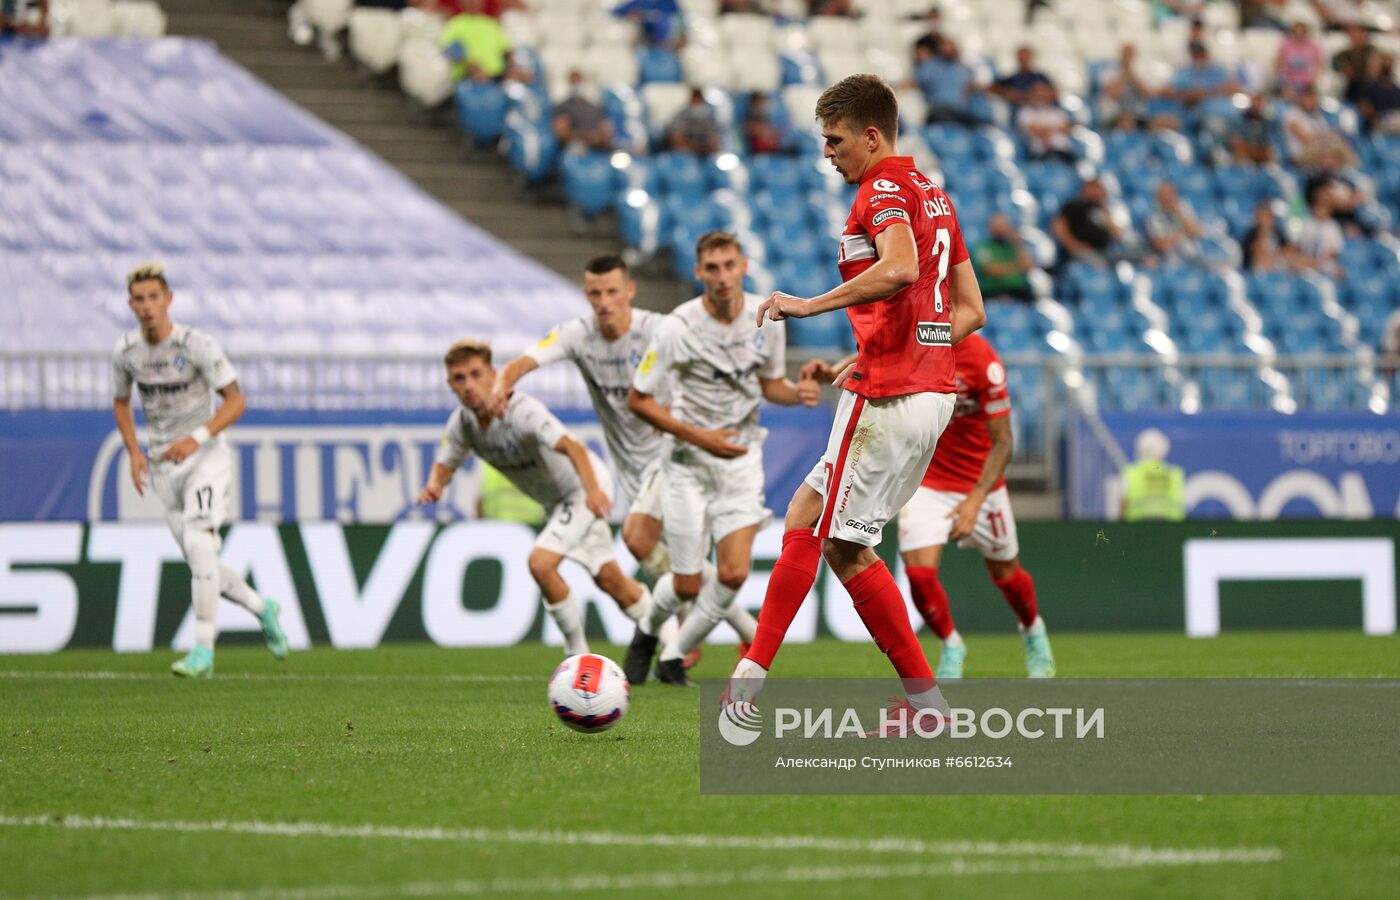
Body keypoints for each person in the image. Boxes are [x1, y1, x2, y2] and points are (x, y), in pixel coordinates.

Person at [731, 74, 988, 736]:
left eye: (836, 139)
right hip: (926, 393)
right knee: (834, 536)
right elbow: (968, 311)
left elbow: (901, 267)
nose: (828, 152)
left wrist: (807, 304)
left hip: (891, 399)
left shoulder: (882, 190)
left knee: (816, 529)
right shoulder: (936, 195)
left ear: (871, 137)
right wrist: (866, 355)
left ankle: (749, 679)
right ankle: (926, 707)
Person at [489, 254, 758, 667]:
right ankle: (741, 632)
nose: (604, 302)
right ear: (586, 295)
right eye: (595, 293)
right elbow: (526, 360)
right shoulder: (576, 334)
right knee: (682, 561)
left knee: (638, 540)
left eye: (612, 291)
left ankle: (676, 633)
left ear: (629, 291)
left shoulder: (658, 329)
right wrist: (503, 385)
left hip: (674, 455)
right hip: (629, 467)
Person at [624, 232, 819, 686]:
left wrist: (799, 392)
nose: (722, 276)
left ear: (744, 266)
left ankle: (672, 655)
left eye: (729, 265)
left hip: (741, 460)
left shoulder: (767, 318)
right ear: (698, 273)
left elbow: (771, 385)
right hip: (688, 463)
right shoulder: (676, 327)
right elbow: (639, 398)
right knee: (687, 583)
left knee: (732, 574)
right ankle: (648, 630)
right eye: (712, 268)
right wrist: (701, 437)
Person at [418, 339, 656, 657]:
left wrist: (594, 492)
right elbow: (446, 461)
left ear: (493, 374)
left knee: (541, 564)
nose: (469, 385)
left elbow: (573, 447)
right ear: (450, 384)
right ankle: (671, 643)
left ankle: (577, 658)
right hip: (556, 503)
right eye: (459, 379)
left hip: (583, 489)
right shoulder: (463, 424)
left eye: (475, 374)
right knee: (610, 580)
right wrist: (435, 485)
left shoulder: (521, 410)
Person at [111, 262, 288, 678]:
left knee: (201, 547)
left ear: (168, 299)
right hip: (162, 466)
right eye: (139, 299)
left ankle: (203, 650)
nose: (147, 306)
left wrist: (199, 437)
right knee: (200, 561)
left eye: (154, 297)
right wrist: (135, 451)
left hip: (205, 459)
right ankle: (264, 608)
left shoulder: (196, 345)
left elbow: (236, 400)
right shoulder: (125, 352)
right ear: (131, 304)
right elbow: (121, 402)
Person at [897, 333, 1054, 680]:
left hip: (980, 485)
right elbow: (873, 360)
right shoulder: (916, 343)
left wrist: (975, 500)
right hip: (929, 482)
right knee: (919, 575)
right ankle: (952, 645)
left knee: (1006, 573)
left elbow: (1004, 442)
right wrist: (834, 370)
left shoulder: (983, 361)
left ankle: (1032, 630)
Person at [1283, 85, 1358, 169]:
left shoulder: (1317, 116)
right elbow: (1306, 139)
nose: (1311, 102)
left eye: (1313, 99)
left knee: (1338, 143)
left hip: (1320, 149)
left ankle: (1351, 170)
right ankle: (1354, 166)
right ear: (1301, 99)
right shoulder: (1293, 114)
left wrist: (1329, 135)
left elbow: (1327, 132)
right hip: (1301, 153)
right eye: (1308, 98)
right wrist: (1324, 137)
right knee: (1335, 147)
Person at [1121, 428, 1186, 521]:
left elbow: (1123, 505)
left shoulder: (1131, 473)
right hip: (1172, 528)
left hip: (1137, 528)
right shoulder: (1175, 473)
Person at [439, 0, 510, 81]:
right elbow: (447, 50)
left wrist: (514, 68)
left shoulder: (492, 24)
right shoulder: (454, 25)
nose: (473, 3)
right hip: (468, 76)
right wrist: (471, 66)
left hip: (496, 77)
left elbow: (507, 50)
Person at [916, 38, 981, 126]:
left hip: (960, 111)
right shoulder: (930, 67)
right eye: (945, 47)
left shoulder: (964, 69)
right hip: (940, 109)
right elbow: (917, 82)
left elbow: (972, 87)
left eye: (951, 47)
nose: (948, 50)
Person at [972, 212, 1035, 301]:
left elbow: (1029, 266)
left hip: (1017, 291)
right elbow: (991, 270)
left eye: (1004, 225)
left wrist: (1018, 243)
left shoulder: (1012, 246)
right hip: (993, 291)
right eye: (998, 225)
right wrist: (1018, 266)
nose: (1002, 228)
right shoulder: (983, 247)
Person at [1145, 181, 1206, 265]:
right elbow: (1160, 244)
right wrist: (1181, 235)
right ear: (1158, 198)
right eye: (1165, 197)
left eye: (1171, 195)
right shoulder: (1153, 216)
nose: (1169, 199)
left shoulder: (1183, 209)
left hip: (1195, 257)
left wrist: (1179, 213)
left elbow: (1198, 232)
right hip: (1172, 262)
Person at [552, 71, 614, 151]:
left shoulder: (595, 108)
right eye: (573, 81)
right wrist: (587, 137)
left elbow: (606, 132)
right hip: (575, 149)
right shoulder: (563, 107)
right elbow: (562, 133)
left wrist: (598, 139)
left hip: (597, 148)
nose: (577, 84)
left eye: (578, 81)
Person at [1016, 81, 1077, 162]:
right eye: (1037, 92)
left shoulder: (1057, 112)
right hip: (1040, 153)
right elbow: (1038, 132)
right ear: (1030, 94)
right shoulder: (1025, 112)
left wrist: (1046, 128)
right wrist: (1057, 128)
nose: (1040, 95)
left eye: (1043, 92)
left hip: (1064, 152)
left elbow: (1068, 128)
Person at [1275, 20, 1324, 99]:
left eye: (1301, 33)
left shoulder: (1313, 47)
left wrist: (1313, 79)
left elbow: (1319, 65)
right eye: (1296, 32)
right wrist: (1283, 80)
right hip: (1289, 80)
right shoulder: (1286, 45)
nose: (1299, 35)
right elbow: (1279, 64)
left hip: (1307, 82)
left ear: (1306, 33)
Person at [1241, 201, 1296, 271]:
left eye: (1269, 216)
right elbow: (1256, 253)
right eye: (1263, 216)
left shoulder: (1278, 233)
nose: (1267, 219)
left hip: (1277, 263)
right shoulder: (1251, 234)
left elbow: (1287, 249)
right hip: (1256, 268)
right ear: (1257, 217)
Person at [668, 88, 721, 155]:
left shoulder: (709, 117)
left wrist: (705, 147)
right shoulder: (682, 114)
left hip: (705, 153)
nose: (697, 103)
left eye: (699, 100)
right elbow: (676, 138)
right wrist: (692, 146)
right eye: (695, 100)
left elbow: (714, 141)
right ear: (691, 100)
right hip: (685, 153)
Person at [1333, 23, 1377, 102]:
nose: (1356, 36)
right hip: (1352, 87)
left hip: (1370, 88)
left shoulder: (1371, 51)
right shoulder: (1344, 54)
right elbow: (1337, 67)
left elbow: (1373, 71)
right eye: (1353, 33)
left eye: (1359, 33)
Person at [1230, 93, 1277, 165]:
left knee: (1272, 153)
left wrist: (1260, 149)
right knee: (1239, 150)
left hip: (1260, 149)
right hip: (1245, 149)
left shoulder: (1266, 121)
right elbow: (1237, 139)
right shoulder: (1240, 119)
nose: (1257, 105)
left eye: (1259, 102)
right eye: (1255, 102)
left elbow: (1269, 139)